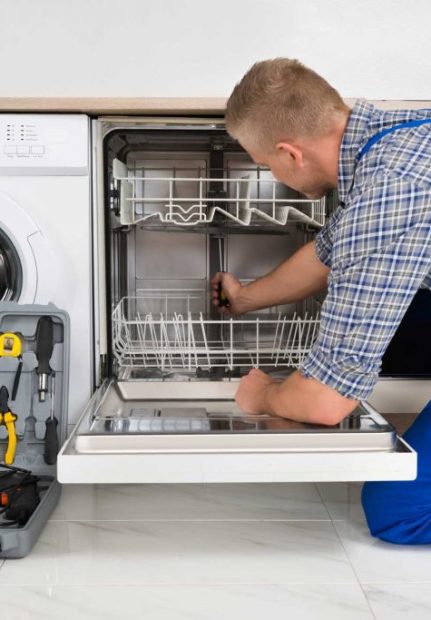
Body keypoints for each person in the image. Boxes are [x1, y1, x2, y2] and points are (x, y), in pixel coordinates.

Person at [211, 58, 431, 545]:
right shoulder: (388, 139)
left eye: (266, 164)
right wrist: (245, 299)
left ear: (290, 153)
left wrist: (264, 395)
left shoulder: (392, 189)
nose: (274, 174)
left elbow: (326, 404)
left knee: (399, 510)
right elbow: (329, 253)